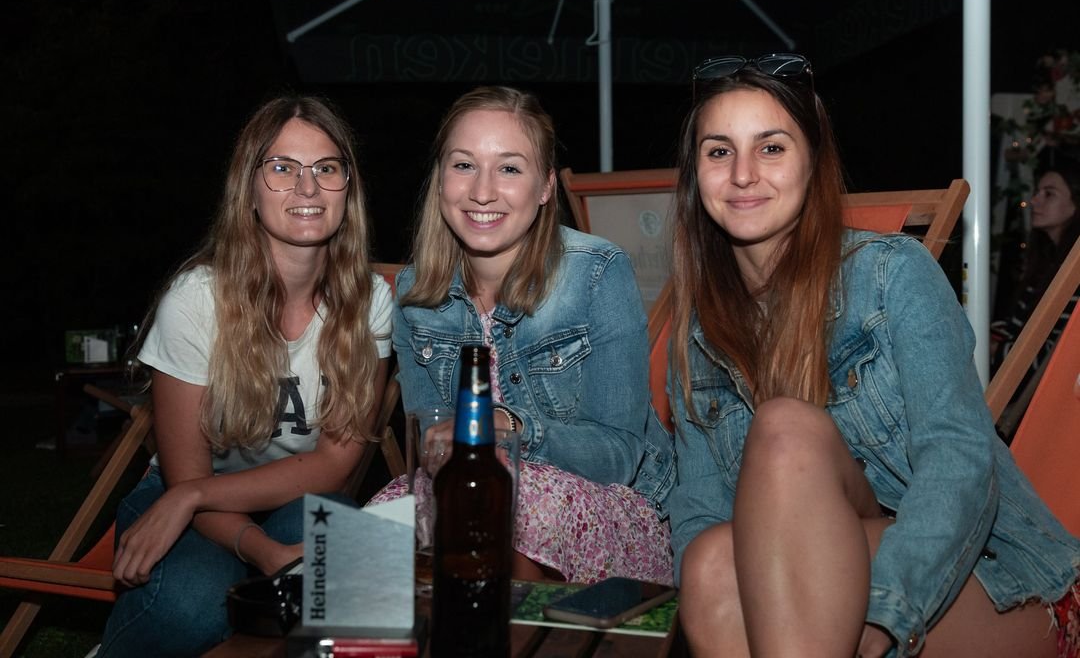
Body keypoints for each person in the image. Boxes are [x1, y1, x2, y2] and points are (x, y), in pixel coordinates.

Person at [665, 54, 1080, 657]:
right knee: (706, 559)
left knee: (785, 429)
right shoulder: (700, 332)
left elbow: (959, 460)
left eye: (772, 148)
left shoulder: (891, 275)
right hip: (806, 590)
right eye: (719, 151)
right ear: (695, 173)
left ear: (814, 161)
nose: (743, 174)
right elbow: (702, 510)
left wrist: (885, 609)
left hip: (987, 577)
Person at [98, 95, 393, 657]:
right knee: (191, 603)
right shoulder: (197, 300)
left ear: (347, 188)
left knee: (359, 575)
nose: (307, 188)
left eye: (326, 168)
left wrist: (195, 498)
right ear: (249, 189)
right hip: (182, 492)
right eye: (282, 168)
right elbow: (186, 476)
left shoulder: (369, 302)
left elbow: (335, 464)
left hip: (288, 493)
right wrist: (255, 546)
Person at [379, 85, 675, 585]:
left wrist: (508, 427)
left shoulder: (596, 272)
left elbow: (620, 456)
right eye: (464, 164)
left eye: (510, 169)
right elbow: (429, 446)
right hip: (467, 498)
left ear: (545, 187)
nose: (482, 191)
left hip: (609, 506)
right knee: (370, 541)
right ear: (440, 179)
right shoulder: (414, 292)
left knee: (493, 515)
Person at [991, 155, 1080, 378]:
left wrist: (995, 349)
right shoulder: (1045, 263)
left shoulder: (1074, 275)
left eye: (1049, 194)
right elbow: (1015, 327)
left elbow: (1056, 357)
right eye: (1037, 192)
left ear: (1075, 205)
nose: (1034, 200)